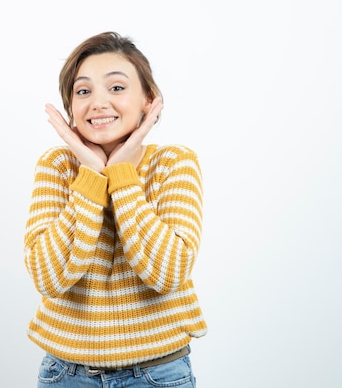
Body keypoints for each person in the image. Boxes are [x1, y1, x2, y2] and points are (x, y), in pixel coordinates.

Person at [24, 31, 207, 388]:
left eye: (117, 88)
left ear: (148, 101)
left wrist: (120, 174)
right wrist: (91, 174)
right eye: (83, 91)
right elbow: (50, 277)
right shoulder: (57, 166)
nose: (98, 102)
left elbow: (166, 272)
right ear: (71, 109)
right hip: (67, 375)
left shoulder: (174, 163)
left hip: (158, 374)